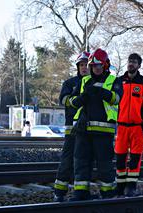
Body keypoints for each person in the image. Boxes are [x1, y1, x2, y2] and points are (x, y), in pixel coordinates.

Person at [69, 48, 123, 201]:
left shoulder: (114, 81)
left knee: (105, 166)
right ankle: (81, 193)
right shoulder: (84, 81)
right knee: (80, 163)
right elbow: (72, 102)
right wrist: (82, 98)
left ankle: (108, 194)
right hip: (83, 131)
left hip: (103, 132)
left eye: (98, 66)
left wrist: (100, 92)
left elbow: (117, 99)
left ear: (106, 65)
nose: (95, 68)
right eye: (93, 66)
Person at [53, 51, 90, 202]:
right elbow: (62, 100)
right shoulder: (70, 83)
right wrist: (76, 97)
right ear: (77, 67)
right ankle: (59, 192)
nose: (84, 68)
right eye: (81, 65)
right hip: (72, 130)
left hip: (89, 130)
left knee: (84, 162)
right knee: (67, 160)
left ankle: (81, 192)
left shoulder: (95, 83)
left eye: (86, 64)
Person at [115, 53, 143, 197]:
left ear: (139, 65)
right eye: (130, 61)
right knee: (120, 158)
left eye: (134, 62)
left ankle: (131, 187)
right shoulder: (119, 81)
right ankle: (120, 186)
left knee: (135, 159)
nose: (131, 64)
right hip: (122, 126)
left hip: (137, 127)